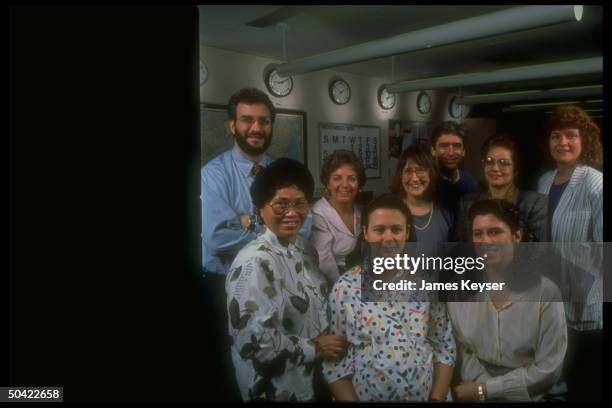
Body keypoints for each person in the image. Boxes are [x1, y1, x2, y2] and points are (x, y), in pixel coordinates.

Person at [200, 88, 311, 400]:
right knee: (240, 366)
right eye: (247, 120)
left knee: (281, 358)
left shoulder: (282, 171)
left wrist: (249, 220)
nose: (256, 128)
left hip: (281, 278)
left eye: (264, 121)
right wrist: (272, 226)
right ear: (232, 125)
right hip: (225, 285)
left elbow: (305, 225)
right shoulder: (212, 175)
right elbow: (217, 238)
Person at [226, 158, 348, 402]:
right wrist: (316, 348)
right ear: (260, 208)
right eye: (281, 204)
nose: (292, 213)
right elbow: (254, 342)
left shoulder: (305, 248)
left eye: (300, 203)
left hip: (316, 380)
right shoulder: (253, 262)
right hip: (278, 389)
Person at [323, 194, 456, 402]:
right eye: (379, 230)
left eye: (396, 229)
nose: (388, 238)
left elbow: (444, 347)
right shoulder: (345, 288)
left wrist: (437, 398)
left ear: (407, 232)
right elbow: (334, 365)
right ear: (365, 232)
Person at [448, 199, 567, 402]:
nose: (486, 241)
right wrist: (482, 385)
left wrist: (487, 390)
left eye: (495, 232)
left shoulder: (545, 292)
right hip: (475, 387)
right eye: (478, 234)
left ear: (517, 236)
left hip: (537, 394)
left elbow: (549, 368)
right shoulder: (459, 290)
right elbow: (463, 350)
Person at [536, 105, 603, 402]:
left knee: (584, 381)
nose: (563, 142)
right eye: (556, 136)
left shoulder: (595, 183)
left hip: (586, 301)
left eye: (571, 135)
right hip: (552, 296)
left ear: (584, 140)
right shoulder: (544, 181)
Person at [455, 133, 547, 242]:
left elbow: (538, 250)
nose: (495, 168)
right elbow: (462, 246)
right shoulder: (467, 203)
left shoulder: (536, 204)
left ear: (515, 169)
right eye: (489, 161)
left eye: (504, 163)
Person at [311, 150, 365, 286]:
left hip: (357, 277)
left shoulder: (361, 211)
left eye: (352, 178)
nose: (345, 185)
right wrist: (346, 288)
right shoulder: (319, 214)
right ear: (327, 183)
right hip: (332, 283)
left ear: (359, 184)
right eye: (337, 178)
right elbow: (324, 263)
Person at [392, 144, 454, 256]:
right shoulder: (390, 212)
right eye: (408, 171)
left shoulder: (445, 213)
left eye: (421, 170)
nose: (414, 178)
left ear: (431, 173)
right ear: (401, 175)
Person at [430, 121, 477, 217]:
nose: (451, 153)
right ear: (433, 150)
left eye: (456, 146)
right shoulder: (424, 182)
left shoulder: (470, 183)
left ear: (463, 151)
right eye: (444, 146)